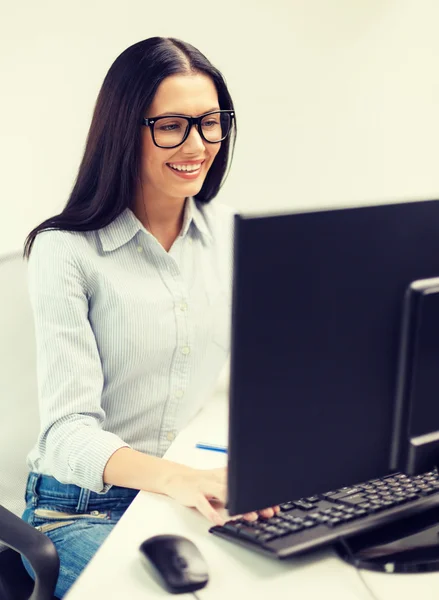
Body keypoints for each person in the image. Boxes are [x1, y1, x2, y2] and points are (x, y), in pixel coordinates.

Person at [21, 36, 277, 598]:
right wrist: (180, 480)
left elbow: (272, 367)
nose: (198, 144)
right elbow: (67, 435)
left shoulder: (231, 234)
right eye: (171, 125)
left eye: (212, 122)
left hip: (183, 491)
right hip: (80, 510)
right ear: (124, 130)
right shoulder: (65, 251)